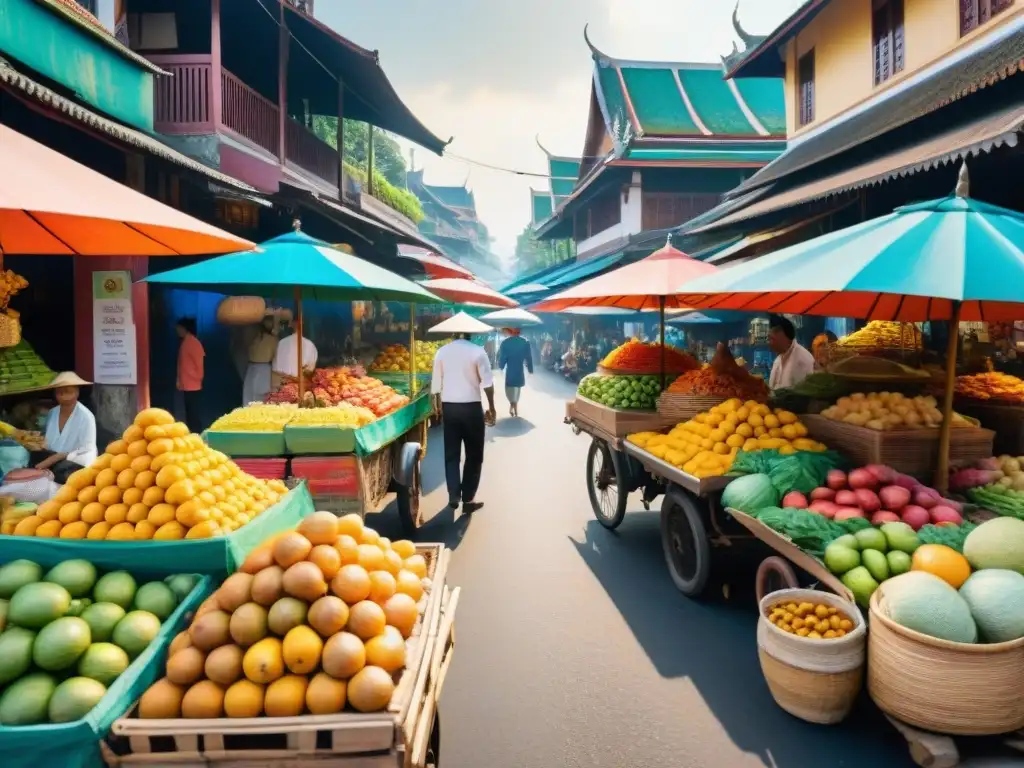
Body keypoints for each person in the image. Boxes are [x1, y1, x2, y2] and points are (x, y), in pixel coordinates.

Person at [430, 318, 496, 514]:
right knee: (474, 455)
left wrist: (437, 408)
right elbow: (487, 383)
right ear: (470, 334)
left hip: (449, 408)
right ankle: (468, 498)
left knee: (451, 454)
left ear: (452, 334)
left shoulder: (442, 352)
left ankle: (453, 495)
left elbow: (435, 384)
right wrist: (491, 407)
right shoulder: (477, 351)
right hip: (472, 408)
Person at [33, 372, 97, 484]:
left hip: (73, 466)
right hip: (49, 462)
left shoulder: (86, 416)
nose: (63, 396)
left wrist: (59, 456)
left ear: (77, 392)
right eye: (59, 392)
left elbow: (88, 449)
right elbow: (46, 437)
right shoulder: (53, 412)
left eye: (68, 392)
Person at [768, 314, 815, 390]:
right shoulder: (778, 360)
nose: (769, 343)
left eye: (772, 339)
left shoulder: (803, 359)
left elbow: (805, 393)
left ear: (783, 337)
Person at [272, 318, 318, 391]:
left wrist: (290, 378)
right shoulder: (310, 345)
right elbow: (310, 370)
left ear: (290, 325)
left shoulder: (281, 343)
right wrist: (296, 379)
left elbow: (275, 368)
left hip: (283, 387)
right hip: (299, 388)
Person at [176, 318, 205, 432]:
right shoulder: (186, 342)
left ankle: (197, 435)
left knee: (194, 415)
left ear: (185, 329)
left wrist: (195, 377)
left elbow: (199, 366)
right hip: (187, 384)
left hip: (193, 386)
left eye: (179, 328)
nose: (177, 330)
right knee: (189, 413)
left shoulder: (193, 343)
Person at [497, 328, 534, 417]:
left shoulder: (505, 343)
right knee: (517, 390)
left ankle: (512, 404)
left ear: (510, 332)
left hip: (510, 371)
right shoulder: (525, 342)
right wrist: (530, 370)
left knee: (509, 390)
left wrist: (501, 367)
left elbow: (502, 358)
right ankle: (515, 406)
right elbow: (529, 358)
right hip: (519, 370)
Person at [244, 314, 279, 404]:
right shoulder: (272, 339)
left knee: (252, 397)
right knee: (259, 398)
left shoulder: (252, 337)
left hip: (255, 368)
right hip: (262, 369)